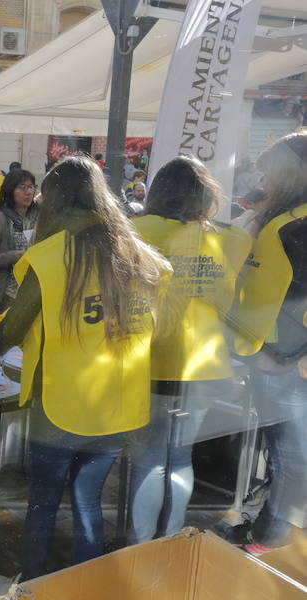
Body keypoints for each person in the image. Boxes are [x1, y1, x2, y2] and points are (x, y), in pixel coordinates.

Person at [0, 156, 170, 583]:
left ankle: (31, 585)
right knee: (89, 503)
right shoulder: (137, 252)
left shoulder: (49, 256)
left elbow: (15, 324)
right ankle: (89, 586)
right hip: (118, 406)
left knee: (43, 503)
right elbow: (155, 323)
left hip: (60, 404)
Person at [128, 155, 252, 545]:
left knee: (150, 458)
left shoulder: (135, 231)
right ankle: (172, 538)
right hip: (207, 368)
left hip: (154, 362)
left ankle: (141, 544)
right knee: (180, 456)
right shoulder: (232, 239)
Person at [229, 131, 307, 556]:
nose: (265, 183)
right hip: (271, 355)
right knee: (285, 453)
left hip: (289, 362)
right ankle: (271, 528)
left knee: (292, 456)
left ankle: (273, 538)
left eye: (271, 175)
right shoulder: (285, 217)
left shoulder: (299, 223)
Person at [0, 169, 39, 312]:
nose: (28, 192)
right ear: (10, 191)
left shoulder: (38, 218)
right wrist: (11, 257)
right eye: (22, 187)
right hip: (4, 296)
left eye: (31, 186)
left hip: (30, 295)